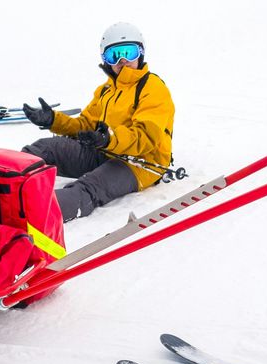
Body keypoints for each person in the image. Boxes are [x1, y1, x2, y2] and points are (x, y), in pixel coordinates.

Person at [21, 23, 174, 222]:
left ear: (141, 53)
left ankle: (28, 214)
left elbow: (145, 137)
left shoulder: (153, 88)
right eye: (114, 55)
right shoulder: (106, 90)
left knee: (88, 187)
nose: (122, 61)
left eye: (129, 53)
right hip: (106, 151)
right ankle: (4, 183)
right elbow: (85, 124)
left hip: (139, 164)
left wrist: (109, 139)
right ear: (105, 59)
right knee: (46, 148)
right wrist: (54, 120)